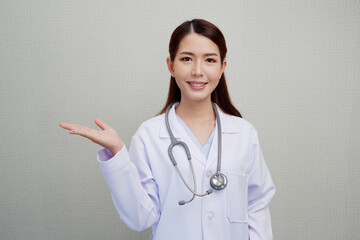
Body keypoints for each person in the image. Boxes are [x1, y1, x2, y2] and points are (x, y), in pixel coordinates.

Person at [60, 19, 275, 240]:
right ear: (171, 66)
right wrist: (117, 154)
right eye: (186, 59)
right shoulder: (149, 135)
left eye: (210, 60)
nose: (198, 70)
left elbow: (257, 206)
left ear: (222, 68)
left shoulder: (244, 133)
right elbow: (140, 218)